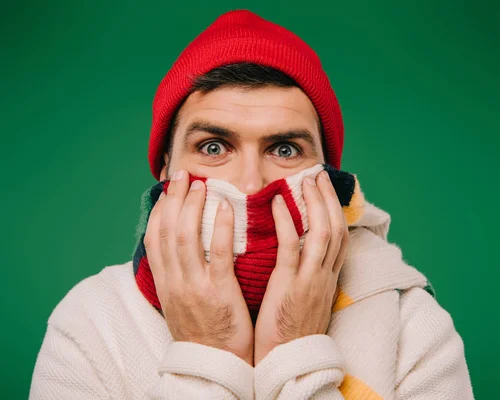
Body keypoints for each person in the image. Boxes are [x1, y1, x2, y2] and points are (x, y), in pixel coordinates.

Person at [30, 9, 474, 400]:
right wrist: (207, 353)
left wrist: (295, 351)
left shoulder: (414, 329)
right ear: (166, 171)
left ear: (328, 179)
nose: (248, 184)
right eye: (212, 147)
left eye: (284, 150)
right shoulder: (92, 322)